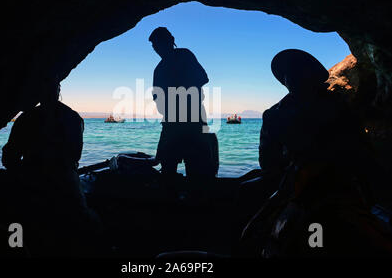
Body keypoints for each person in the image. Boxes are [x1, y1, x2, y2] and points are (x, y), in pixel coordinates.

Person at [239, 49, 392, 257]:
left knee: (252, 233)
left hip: (305, 185)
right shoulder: (337, 106)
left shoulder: (275, 115)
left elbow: (269, 163)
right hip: (338, 181)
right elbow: (362, 150)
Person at [2, 74, 103, 256]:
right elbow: (75, 156)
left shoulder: (26, 118)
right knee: (86, 222)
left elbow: (10, 158)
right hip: (65, 181)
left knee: (15, 221)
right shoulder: (73, 118)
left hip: (31, 180)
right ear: (58, 92)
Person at [149, 27, 218, 180]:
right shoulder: (158, 70)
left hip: (193, 122)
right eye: (154, 46)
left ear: (170, 41)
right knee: (167, 169)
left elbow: (203, 78)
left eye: (158, 44)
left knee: (197, 170)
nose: (156, 49)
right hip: (171, 124)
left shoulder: (184, 55)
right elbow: (158, 100)